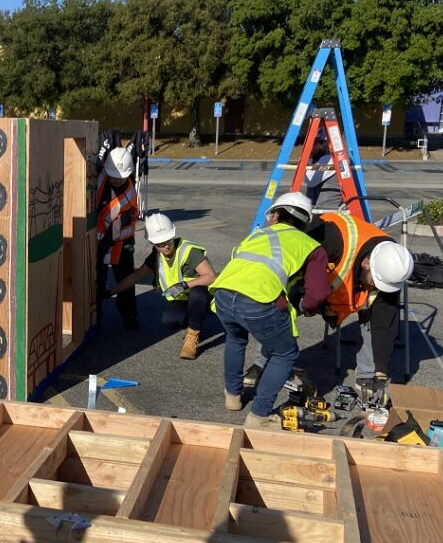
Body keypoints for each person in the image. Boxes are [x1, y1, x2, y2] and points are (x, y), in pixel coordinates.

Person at [209, 192, 329, 429]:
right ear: (304, 222)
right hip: (259, 300)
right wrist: (303, 308)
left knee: (235, 338)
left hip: (223, 293)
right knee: (284, 353)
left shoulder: (257, 234)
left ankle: (233, 397)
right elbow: (316, 295)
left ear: (275, 216)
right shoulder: (312, 247)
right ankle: (259, 415)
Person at [303, 212, 413, 403]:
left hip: (342, 294)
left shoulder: (391, 266)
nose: (378, 287)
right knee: (282, 311)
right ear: (367, 263)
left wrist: (381, 374)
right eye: (375, 282)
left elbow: (384, 325)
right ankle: (263, 365)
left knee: (374, 316)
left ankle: (367, 377)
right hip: (312, 286)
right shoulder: (331, 239)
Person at [108, 212, 217, 359]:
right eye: (160, 244)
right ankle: (195, 319)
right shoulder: (156, 256)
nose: (166, 246)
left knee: (198, 295)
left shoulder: (188, 251)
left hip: (202, 294)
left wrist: (184, 284)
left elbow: (211, 276)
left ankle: (193, 333)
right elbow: (135, 277)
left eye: (168, 241)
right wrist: (110, 292)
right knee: (170, 321)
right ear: (153, 243)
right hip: (181, 298)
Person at [96, 145, 139, 329]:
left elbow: (114, 233)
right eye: (112, 175)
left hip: (121, 242)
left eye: (119, 178)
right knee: (97, 279)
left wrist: (99, 251)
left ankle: (129, 315)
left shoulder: (129, 198)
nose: (114, 180)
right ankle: (95, 315)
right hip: (100, 238)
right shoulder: (101, 177)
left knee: (125, 280)